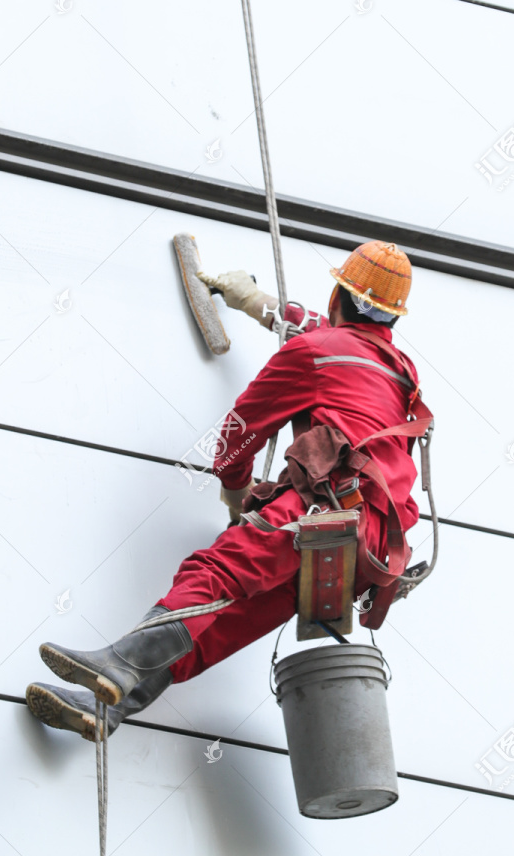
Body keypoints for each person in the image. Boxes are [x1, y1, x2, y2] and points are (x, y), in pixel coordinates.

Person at [26, 241, 427, 741]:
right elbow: (332, 337)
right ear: (390, 320)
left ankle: (119, 665)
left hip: (320, 515)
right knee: (223, 623)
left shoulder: (313, 352)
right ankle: (107, 707)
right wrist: (256, 302)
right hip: (360, 557)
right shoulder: (398, 372)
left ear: (336, 295)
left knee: (212, 574)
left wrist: (237, 498)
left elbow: (241, 430)